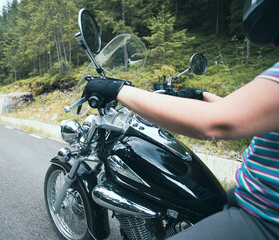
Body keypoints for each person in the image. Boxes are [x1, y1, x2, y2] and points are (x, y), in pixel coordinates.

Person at [83, 0, 279, 239]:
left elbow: (214, 123)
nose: (272, 44)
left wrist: (118, 90)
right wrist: (199, 95)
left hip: (265, 217)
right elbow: (251, 116)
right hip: (254, 192)